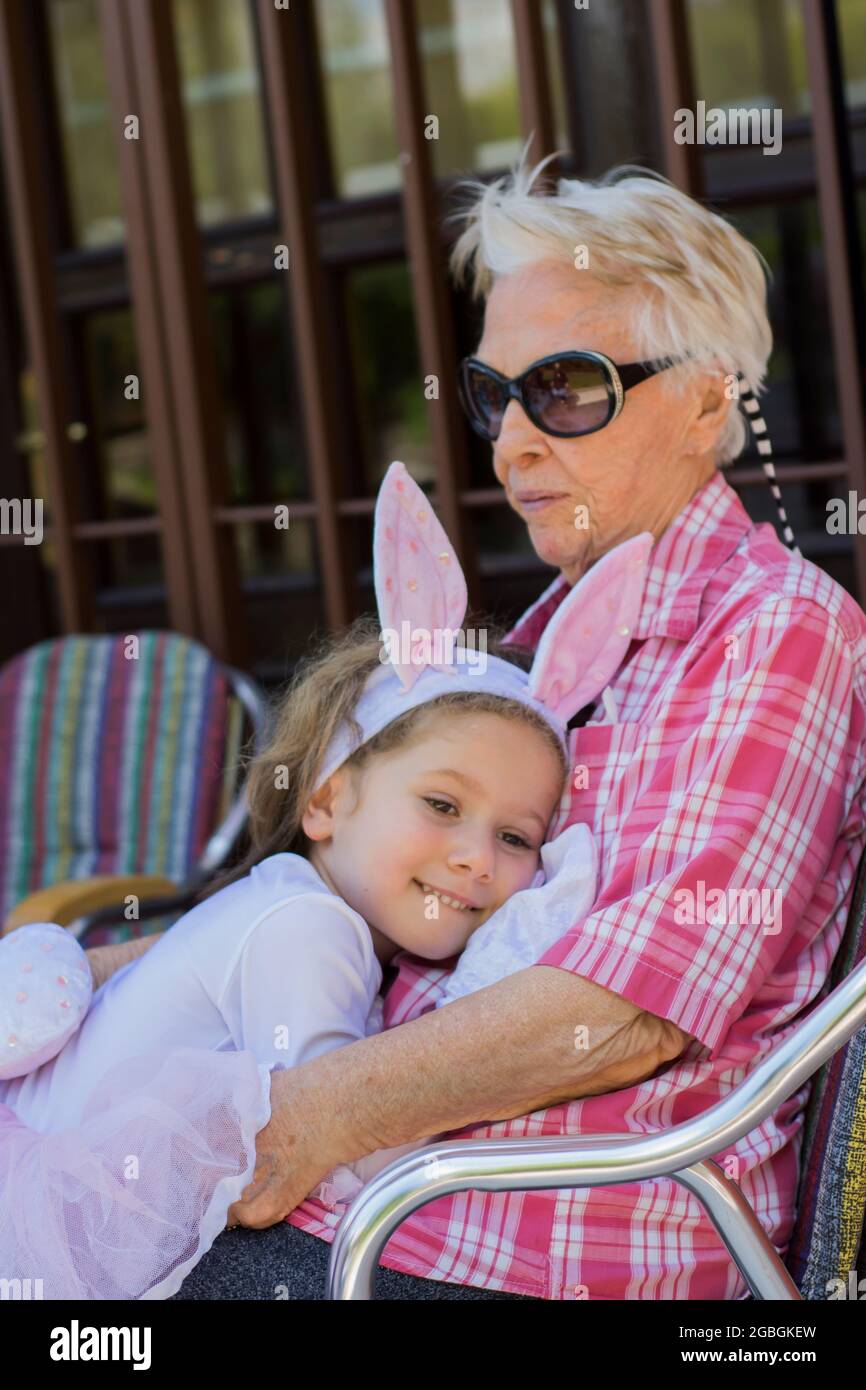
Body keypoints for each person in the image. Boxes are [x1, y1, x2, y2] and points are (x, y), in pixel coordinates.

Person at [90, 150, 866, 1302]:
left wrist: (289, 1125)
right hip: (394, 1192)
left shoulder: (774, 633)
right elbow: (373, 902)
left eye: (563, 388)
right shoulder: (558, 638)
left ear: (707, 400)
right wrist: (102, 981)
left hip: (527, 1233)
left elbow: (623, 1015)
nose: (509, 443)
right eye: (492, 395)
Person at [0, 460, 641, 1300]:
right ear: (327, 799)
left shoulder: (287, 900)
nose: (477, 858)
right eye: (442, 803)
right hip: (62, 1232)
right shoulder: (311, 928)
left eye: (518, 837)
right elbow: (341, 1149)